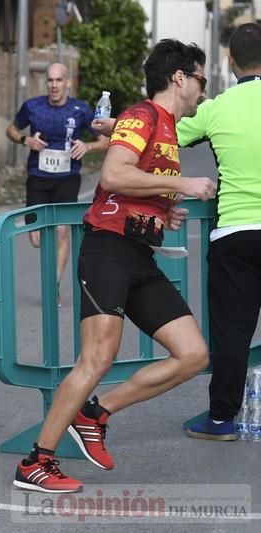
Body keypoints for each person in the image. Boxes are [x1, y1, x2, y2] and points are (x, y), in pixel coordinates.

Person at [13, 39, 216, 493]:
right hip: (107, 249)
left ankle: (94, 414)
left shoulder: (166, 127)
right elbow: (114, 174)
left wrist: (163, 207)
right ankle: (36, 462)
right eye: (201, 79)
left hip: (139, 255)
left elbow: (137, 185)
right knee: (97, 358)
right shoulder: (143, 116)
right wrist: (183, 182)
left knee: (193, 354)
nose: (203, 89)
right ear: (179, 78)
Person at [177, 23, 261, 441]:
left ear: (230, 61)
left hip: (237, 231)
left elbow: (165, 136)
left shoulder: (217, 108)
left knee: (232, 330)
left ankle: (221, 419)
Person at [6, 63, 109, 304]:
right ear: (46, 83)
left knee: (62, 232)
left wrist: (88, 146)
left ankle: (52, 286)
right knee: (37, 238)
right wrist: (25, 140)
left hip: (67, 178)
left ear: (67, 82)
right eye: (50, 80)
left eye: (59, 80)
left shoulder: (80, 110)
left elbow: (105, 139)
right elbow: (11, 129)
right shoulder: (33, 107)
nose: (54, 85)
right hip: (38, 177)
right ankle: (49, 260)